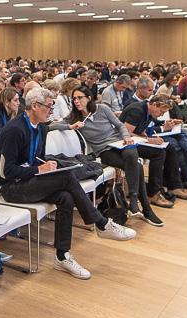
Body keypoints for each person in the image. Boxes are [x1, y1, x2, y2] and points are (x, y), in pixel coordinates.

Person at [0, 86, 135, 280]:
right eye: (48, 107)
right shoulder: (14, 130)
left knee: (66, 197)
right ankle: (101, 224)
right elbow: (6, 172)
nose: (51, 111)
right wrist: (38, 169)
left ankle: (62, 256)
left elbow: (36, 157)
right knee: (67, 177)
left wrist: (46, 164)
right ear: (35, 106)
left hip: (30, 181)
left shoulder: (42, 128)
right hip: (12, 188)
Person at [62, 88, 163, 227]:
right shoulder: (75, 117)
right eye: (74, 99)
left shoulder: (102, 109)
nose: (77, 101)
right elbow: (53, 125)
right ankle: (143, 208)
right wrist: (71, 126)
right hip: (104, 151)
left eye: (80, 98)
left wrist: (127, 137)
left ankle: (134, 202)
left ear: (89, 98)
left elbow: (120, 126)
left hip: (119, 143)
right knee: (137, 166)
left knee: (131, 151)